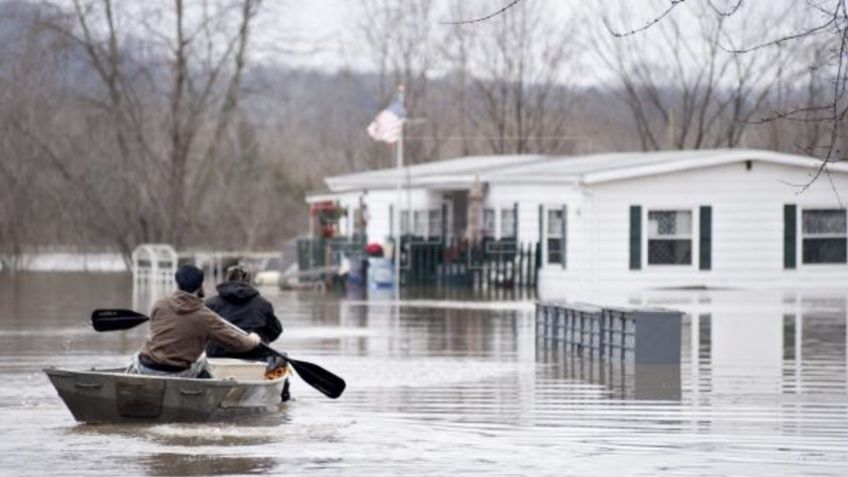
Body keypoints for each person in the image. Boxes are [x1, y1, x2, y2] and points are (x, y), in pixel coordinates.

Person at [127, 264, 262, 378]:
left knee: (136, 356)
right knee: (203, 360)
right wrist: (253, 340)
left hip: (146, 367)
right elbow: (238, 344)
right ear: (200, 286)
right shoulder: (207, 317)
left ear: (177, 283)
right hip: (179, 373)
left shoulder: (159, 305)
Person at [204, 265, 282, 361]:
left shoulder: (209, 304)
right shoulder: (263, 304)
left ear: (227, 279)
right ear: (248, 281)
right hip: (255, 356)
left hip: (217, 356)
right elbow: (275, 332)